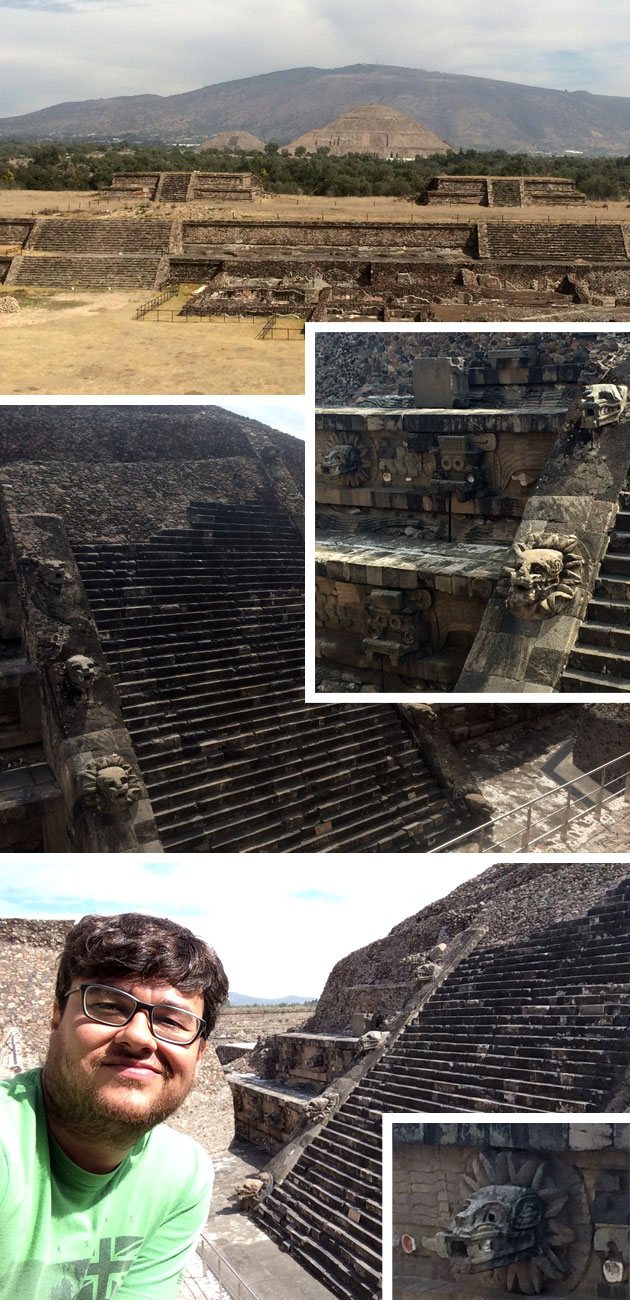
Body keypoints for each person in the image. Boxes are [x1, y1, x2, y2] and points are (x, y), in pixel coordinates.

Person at [0, 911, 229, 1299]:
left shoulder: (182, 1175)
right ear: (57, 1014)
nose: (139, 1037)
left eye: (173, 1021)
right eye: (107, 1005)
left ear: (200, 1051)